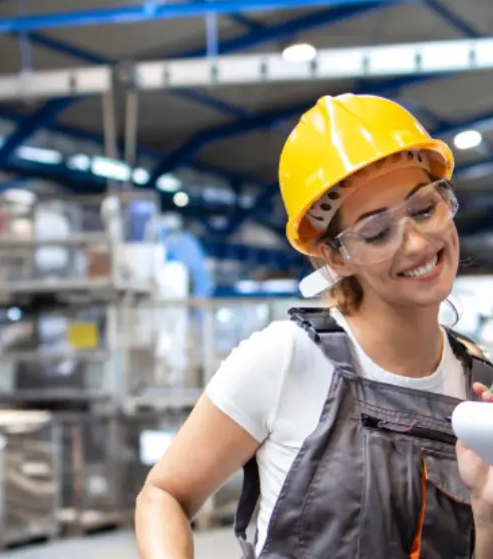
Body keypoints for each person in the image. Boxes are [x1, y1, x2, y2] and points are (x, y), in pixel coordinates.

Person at [135, 93, 493, 559]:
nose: (417, 242)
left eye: (424, 208)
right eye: (377, 231)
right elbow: (163, 495)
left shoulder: (479, 386)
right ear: (335, 257)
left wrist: (486, 514)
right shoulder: (287, 359)